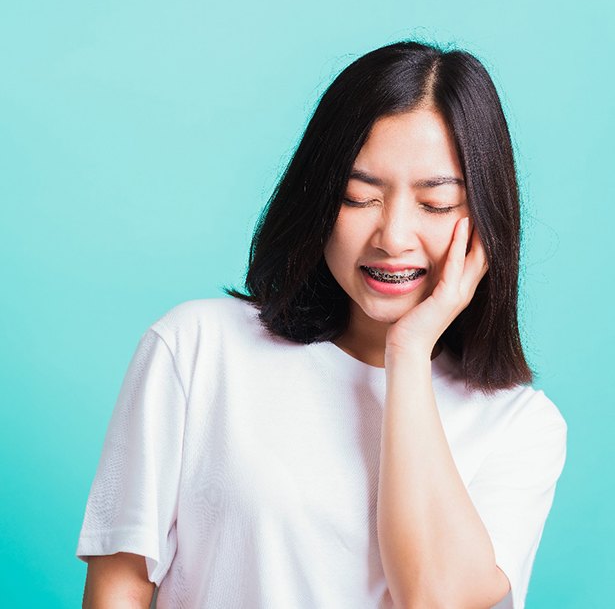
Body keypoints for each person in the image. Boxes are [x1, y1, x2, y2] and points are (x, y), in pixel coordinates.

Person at [76, 40, 567, 609]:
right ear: (319, 200)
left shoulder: (521, 427)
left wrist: (407, 354)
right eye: (360, 197)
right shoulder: (196, 349)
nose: (392, 237)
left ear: (484, 220)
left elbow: (438, 599)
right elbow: (120, 589)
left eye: (435, 204)